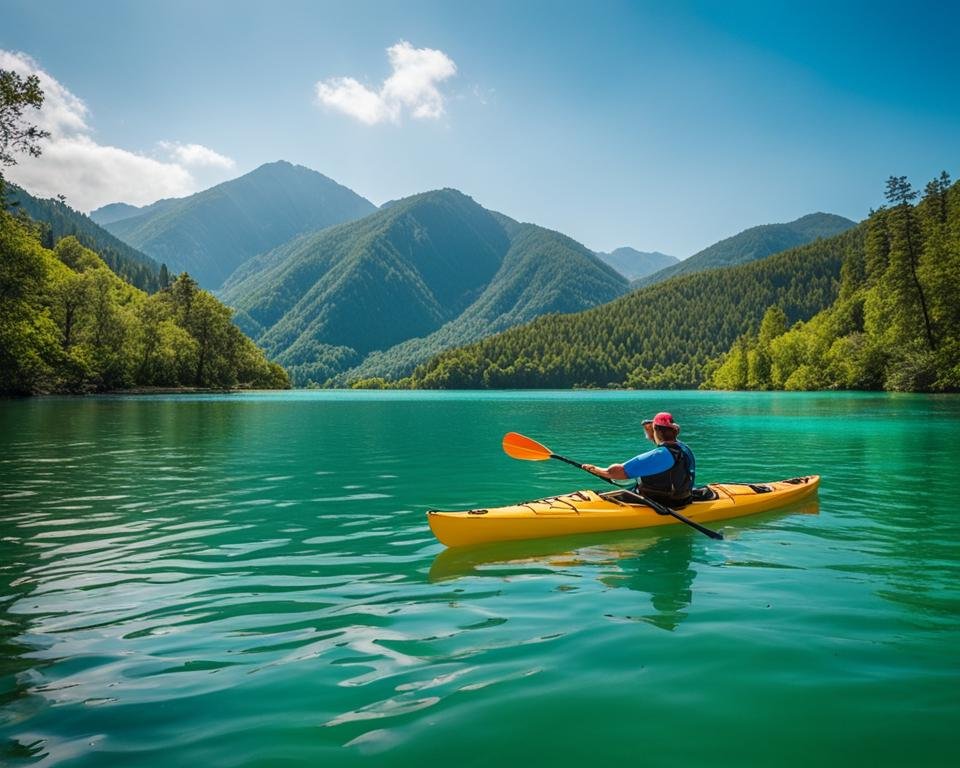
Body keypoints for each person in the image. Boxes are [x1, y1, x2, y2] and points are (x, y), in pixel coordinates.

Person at [582, 412, 696, 505]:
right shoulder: (683, 448)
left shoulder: (661, 454)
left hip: (663, 502)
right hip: (683, 498)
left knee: (604, 495)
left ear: (657, 431)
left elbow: (618, 471)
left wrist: (595, 469)